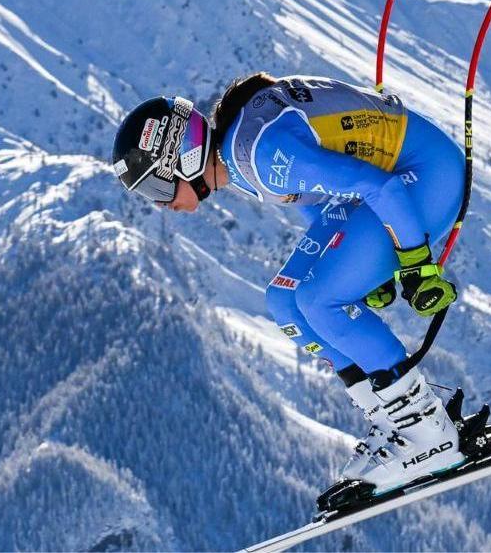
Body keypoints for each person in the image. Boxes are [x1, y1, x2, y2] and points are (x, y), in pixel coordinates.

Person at [111, 73, 468, 492]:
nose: (160, 205)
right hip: (387, 188)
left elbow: (379, 184)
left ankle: (428, 433)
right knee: (285, 301)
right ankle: (395, 420)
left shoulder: (261, 157)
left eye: (157, 187)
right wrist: (353, 263)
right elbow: (318, 198)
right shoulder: (241, 157)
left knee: (320, 300)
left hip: (425, 177)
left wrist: (415, 262)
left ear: (183, 159)